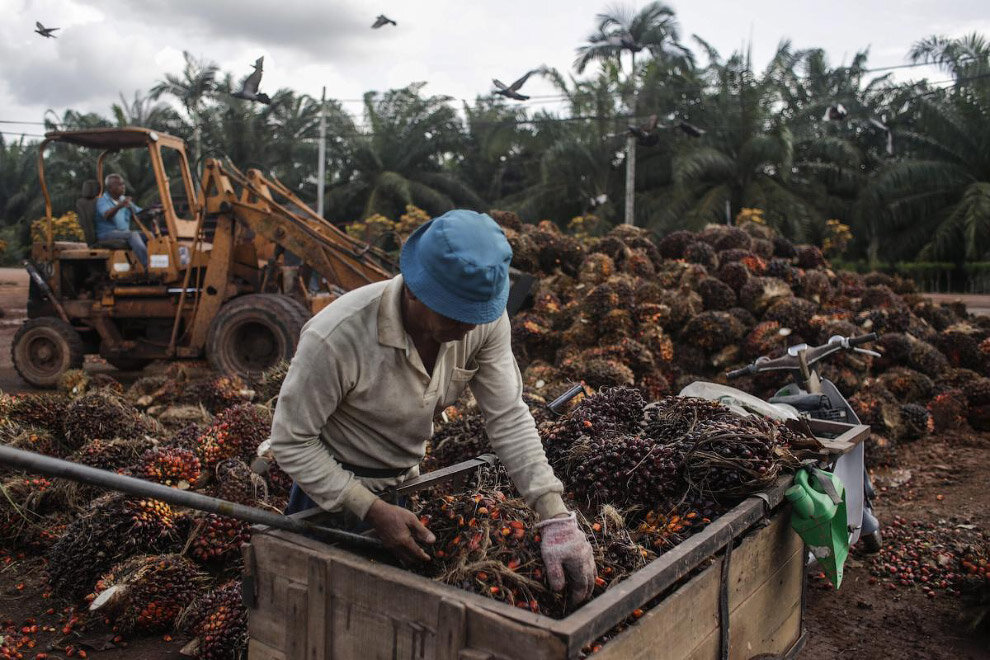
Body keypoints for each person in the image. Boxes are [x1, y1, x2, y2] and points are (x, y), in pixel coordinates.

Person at [270, 209, 596, 604]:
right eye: (456, 315)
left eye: (479, 315)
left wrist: (553, 513)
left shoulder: (483, 320)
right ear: (414, 290)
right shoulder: (336, 337)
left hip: (406, 485)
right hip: (328, 495)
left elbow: (508, 416)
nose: (469, 328)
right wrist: (368, 508)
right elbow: (292, 442)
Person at [94, 173, 148, 268]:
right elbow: (107, 215)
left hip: (123, 233)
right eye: (119, 184)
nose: (123, 186)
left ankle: (158, 263)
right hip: (107, 233)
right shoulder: (102, 201)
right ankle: (148, 265)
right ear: (110, 188)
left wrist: (154, 209)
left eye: (123, 184)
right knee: (132, 234)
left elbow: (140, 212)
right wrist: (120, 205)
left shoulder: (123, 199)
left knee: (149, 235)